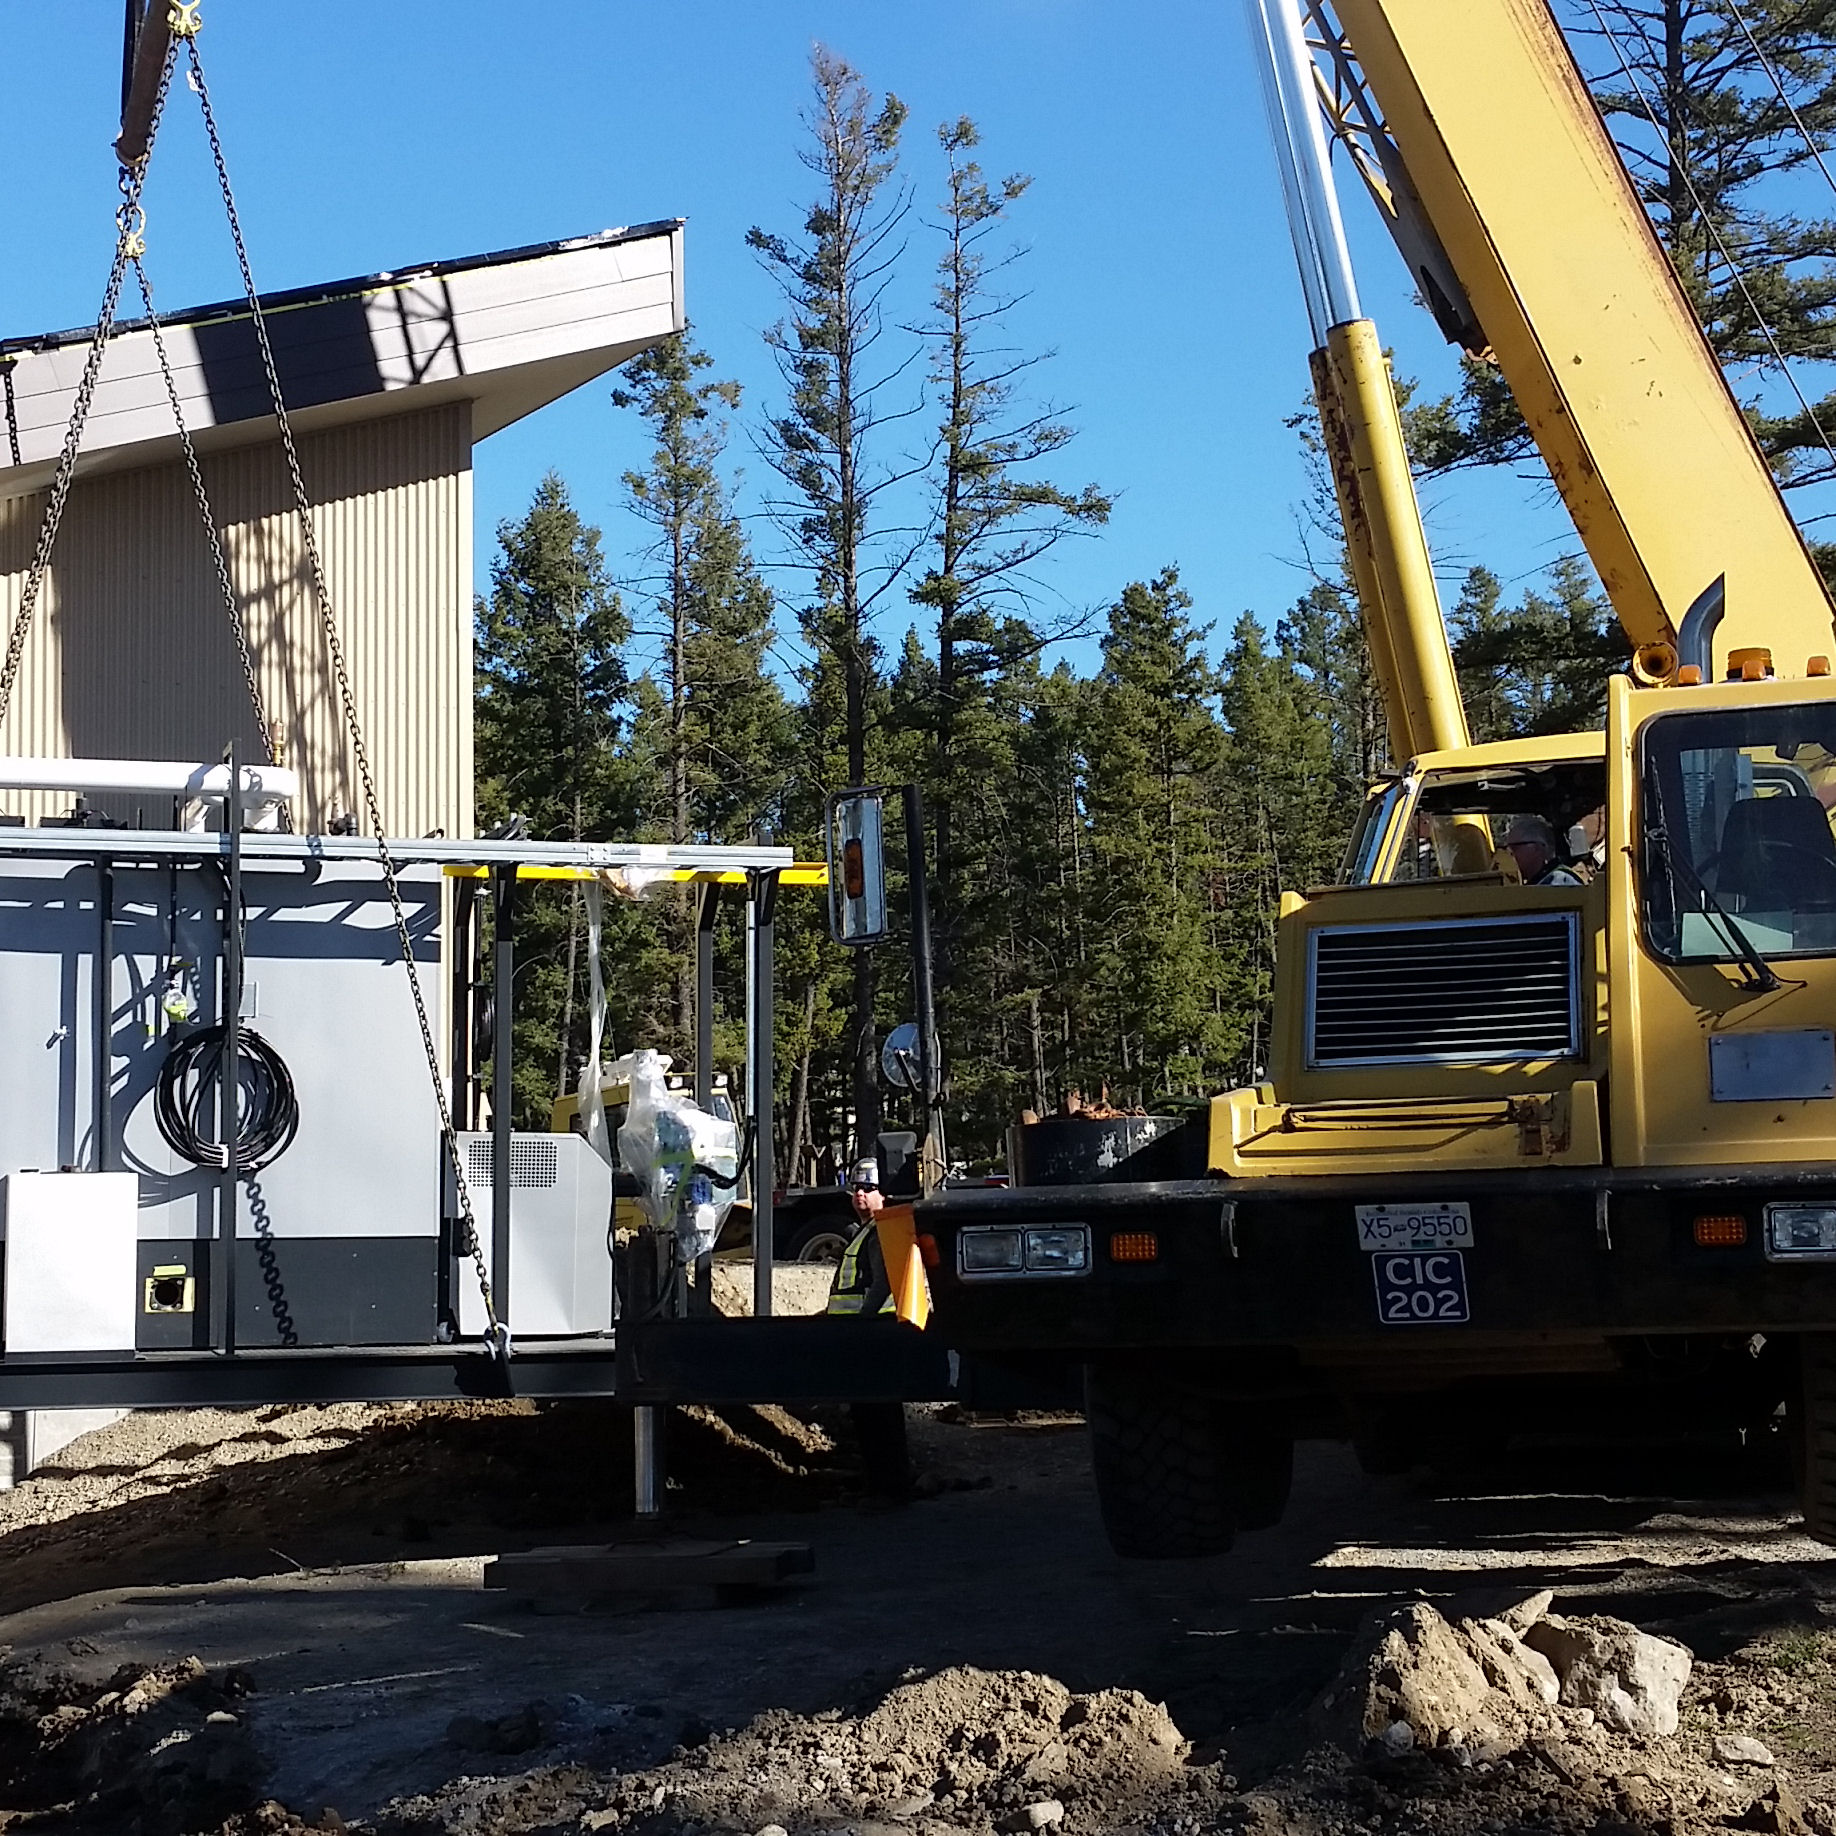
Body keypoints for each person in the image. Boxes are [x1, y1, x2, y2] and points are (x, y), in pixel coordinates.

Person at [1502, 815, 1583, 887]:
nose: (1509, 853)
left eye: (1515, 847)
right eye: (1507, 848)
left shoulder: (1560, 882)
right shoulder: (1537, 882)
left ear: (1537, 848)